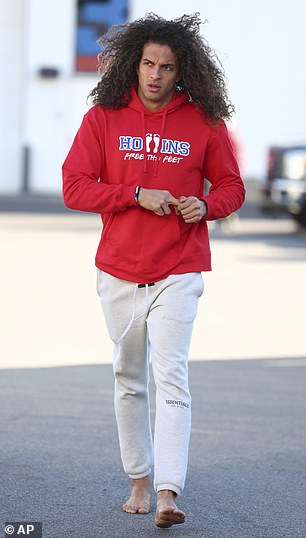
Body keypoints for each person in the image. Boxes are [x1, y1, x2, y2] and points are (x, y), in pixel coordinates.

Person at [62, 13, 245, 528]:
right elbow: (74, 186)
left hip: (179, 268)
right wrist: (134, 195)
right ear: (134, 64)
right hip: (118, 268)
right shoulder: (104, 117)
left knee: (172, 377)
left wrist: (204, 206)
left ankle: (167, 491)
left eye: (167, 66)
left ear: (183, 70)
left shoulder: (204, 122)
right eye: (148, 64)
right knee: (128, 378)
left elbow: (232, 187)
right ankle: (139, 478)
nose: (156, 75)